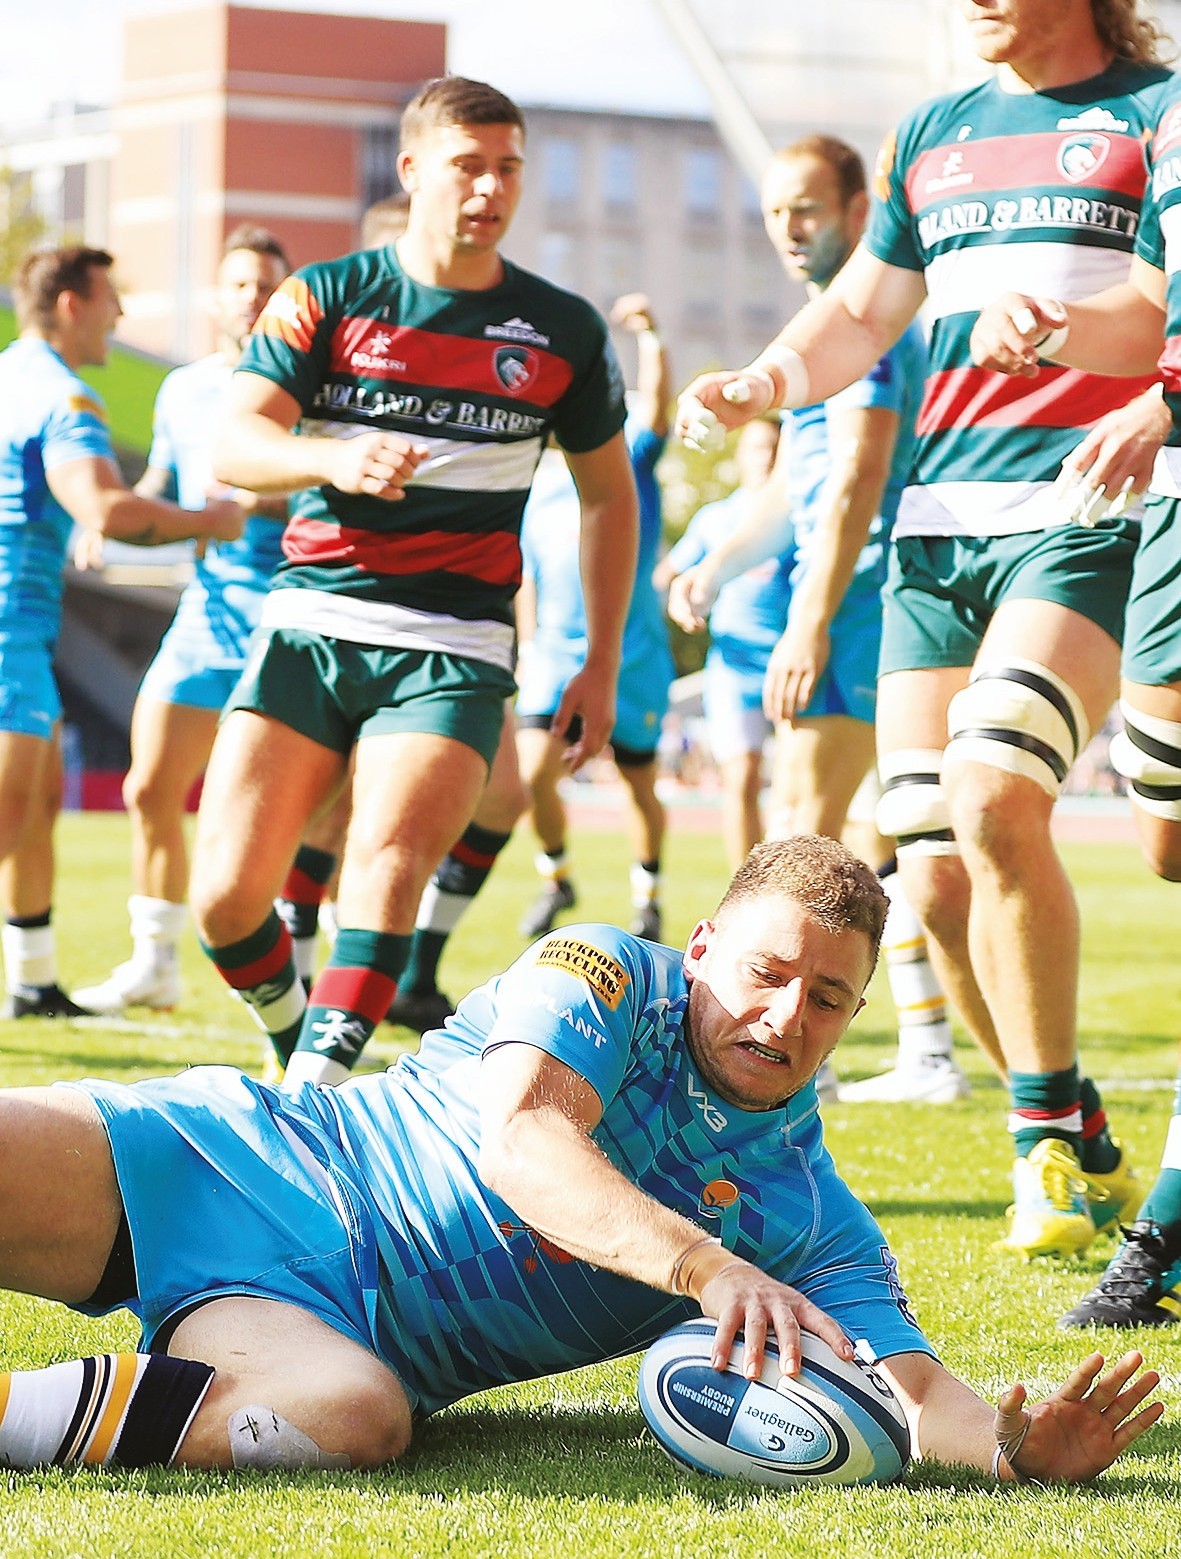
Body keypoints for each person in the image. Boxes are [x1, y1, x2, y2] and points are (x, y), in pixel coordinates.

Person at [0, 834, 1162, 1480]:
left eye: (824, 997)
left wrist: (1012, 1449)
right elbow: (523, 1139)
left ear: (852, 1015)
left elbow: (908, 1394)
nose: (783, 1014)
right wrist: (705, 1266)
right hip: (230, 1165)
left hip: (328, 1338)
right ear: (699, 947)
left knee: (352, 1418)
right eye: (763, 973)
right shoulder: (601, 968)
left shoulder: (808, 1220)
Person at [675, 0, 1171, 1255]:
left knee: (995, 793)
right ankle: (1075, 1130)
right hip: (934, 536)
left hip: (1080, 510)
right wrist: (762, 382)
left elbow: (1155, 308)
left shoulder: (1151, 114)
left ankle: (1036, 1143)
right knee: (930, 876)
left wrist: (1060, 327)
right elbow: (857, 314)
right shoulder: (930, 133)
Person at [193, 76, 637, 1090]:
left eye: (507, 168)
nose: (490, 188)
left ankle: (312, 1098)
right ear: (410, 170)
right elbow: (233, 440)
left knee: (385, 862)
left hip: (453, 641)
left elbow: (609, 498)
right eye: (466, 166)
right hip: (311, 622)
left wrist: (599, 658)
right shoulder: (328, 295)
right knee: (223, 900)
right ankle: (294, 1040)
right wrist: (332, 457)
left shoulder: (561, 328)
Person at [671, 136, 968, 1105]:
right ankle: (927, 1052)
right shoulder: (822, 332)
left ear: (857, 212)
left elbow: (854, 479)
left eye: (806, 207)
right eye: (774, 210)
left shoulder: (863, 327)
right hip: (859, 595)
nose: (788, 227)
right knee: (880, 828)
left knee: (807, 829)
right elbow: (798, 491)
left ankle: (792, 1057)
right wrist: (716, 563)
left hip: (863, 596)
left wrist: (808, 618)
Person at [968, 71, 1181, 1325]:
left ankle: (1160, 1229)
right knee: (1165, 839)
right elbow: (1153, 307)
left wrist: (1160, 403)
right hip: (1168, 507)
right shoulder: (1172, 125)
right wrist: (1055, 330)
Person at [0, 245, 243, 1020]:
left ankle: (34, 982)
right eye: (111, 298)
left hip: (25, 633)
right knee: (9, 816)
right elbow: (107, 509)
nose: (121, 315)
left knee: (39, 805)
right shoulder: (64, 395)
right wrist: (210, 520)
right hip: (9, 629)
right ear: (72, 304)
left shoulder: (8, 375)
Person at [71, 227, 291, 1017]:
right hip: (206, 612)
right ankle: (154, 963)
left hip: (291, 615)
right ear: (217, 297)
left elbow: (333, 490)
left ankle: (300, 978)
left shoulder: (310, 389)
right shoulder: (184, 389)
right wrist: (111, 515)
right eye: (240, 284)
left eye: (266, 285)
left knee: (294, 817)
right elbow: (163, 478)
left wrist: (261, 499)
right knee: (148, 786)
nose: (252, 298)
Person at [516, 293, 676, 942]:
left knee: (639, 787)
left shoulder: (624, 455)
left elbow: (658, 411)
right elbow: (526, 575)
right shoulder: (532, 483)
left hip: (632, 657)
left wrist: (651, 338)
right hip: (553, 656)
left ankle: (649, 898)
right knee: (532, 776)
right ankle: (556, 878)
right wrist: (527, 647)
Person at [655, 416, 790, 869]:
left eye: (775, 448)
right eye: (757, 448)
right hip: (734, 669)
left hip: (793, 667)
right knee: (741, 781)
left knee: (794, 790)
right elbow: (668, 575)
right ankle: (746, 890)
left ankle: (792, 889)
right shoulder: (716, 518)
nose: (766, 457)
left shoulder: (800, 515)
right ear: (740, 457)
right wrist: (676, 601)